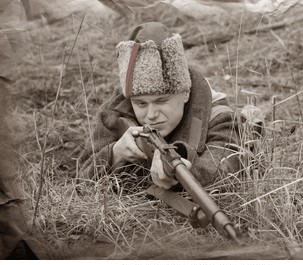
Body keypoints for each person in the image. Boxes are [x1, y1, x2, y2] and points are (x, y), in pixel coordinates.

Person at [78, 22, 240, 190]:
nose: (151, 114)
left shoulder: (219, 117)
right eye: (140, 103)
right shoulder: (115, 112)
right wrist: (115, 154)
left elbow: (227, 170)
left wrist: (186, 170)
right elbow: (82, 179)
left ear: (185, 93)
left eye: (161, 101)